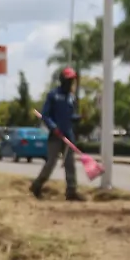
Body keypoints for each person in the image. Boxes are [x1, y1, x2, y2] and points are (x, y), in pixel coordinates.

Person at [30, 67, 84, 201]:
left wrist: (77, 118)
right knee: (51, 162)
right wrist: (53, 127)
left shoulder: (72, 97)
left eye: (71, 80)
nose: (70, 82)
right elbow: (46, 116)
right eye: (67, 80)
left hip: (68, 135)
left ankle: (71, 191)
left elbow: (70, 116)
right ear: (62, 80)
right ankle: (36, 186)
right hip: (55, 136)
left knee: (70, 163)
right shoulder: (53, 95)